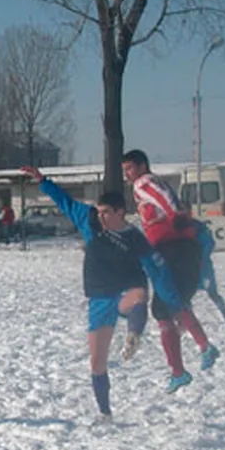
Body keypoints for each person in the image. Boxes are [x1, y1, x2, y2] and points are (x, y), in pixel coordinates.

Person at [22, 166, 183, 415]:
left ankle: (133, 335)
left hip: (125, 294)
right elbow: (65, 201)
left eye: (107, 212)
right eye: (99, 212)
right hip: (99, 299)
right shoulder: (90, 221)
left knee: (139, 295)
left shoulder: (135, 238)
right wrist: (43, 181)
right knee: (97, 363)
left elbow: (158, 272)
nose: (101, 217)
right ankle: (105, 412)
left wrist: (175, 304)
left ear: (121, 213)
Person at [122, 149, 221, 393]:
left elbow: (163, 196)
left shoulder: (144, 183)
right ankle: (180, 370)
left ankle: (202, 349)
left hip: (171, 247)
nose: (127, 174)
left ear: (142, 165)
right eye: (124, 170)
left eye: (130, 168)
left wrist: (175, 214)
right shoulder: (149, 183)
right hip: (175, 248)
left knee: (168, 304)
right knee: (165, 309)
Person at [188, 213, 225, 328]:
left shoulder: (198, 227)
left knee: (212, 293)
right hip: (189, 268)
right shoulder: (178, 226)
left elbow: (210, 244)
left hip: (202, 268)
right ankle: (188, 321)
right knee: (186, 296)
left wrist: (199, 257)